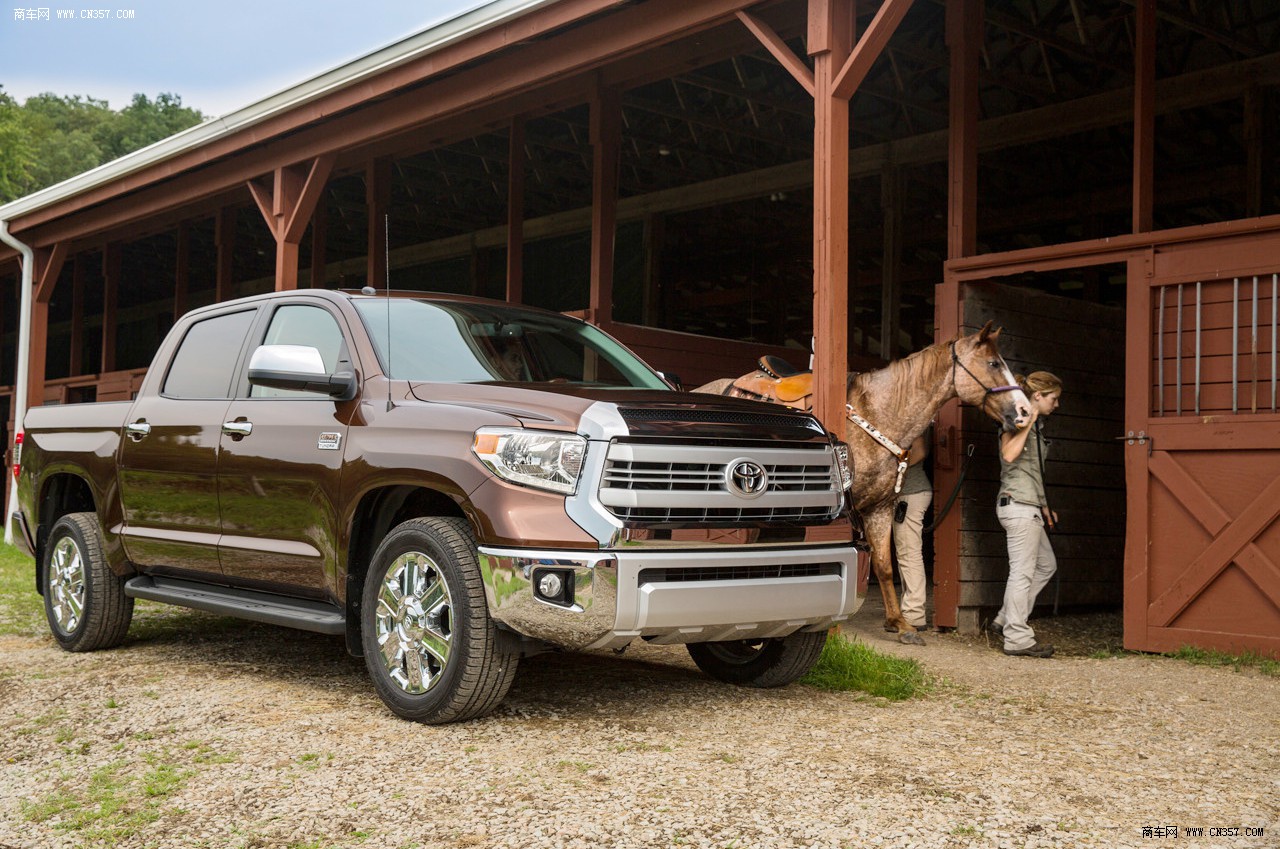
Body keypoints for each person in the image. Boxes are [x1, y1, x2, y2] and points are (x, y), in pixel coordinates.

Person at [989, 371, 1063, 658]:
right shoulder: (1018, 420)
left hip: (1029, 506)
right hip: (1018, 507)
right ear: (1037, 396)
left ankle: (1005, 617)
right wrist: (1029, 419)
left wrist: (1045, 507)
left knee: (1046, 565)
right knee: (1021, 574)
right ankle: (1017, 637)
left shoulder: (1036, 427)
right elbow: (1008, 455)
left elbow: (1032, 471)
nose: (1056, 405)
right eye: (1053, 399)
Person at [892, 431, 932, 630]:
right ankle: (909, 610)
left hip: (911, 493)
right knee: (906, 554)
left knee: (909, 554)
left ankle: (914, 615)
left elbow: (921, 451)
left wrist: (895, 471)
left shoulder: (914, 421)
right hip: (911, 493)